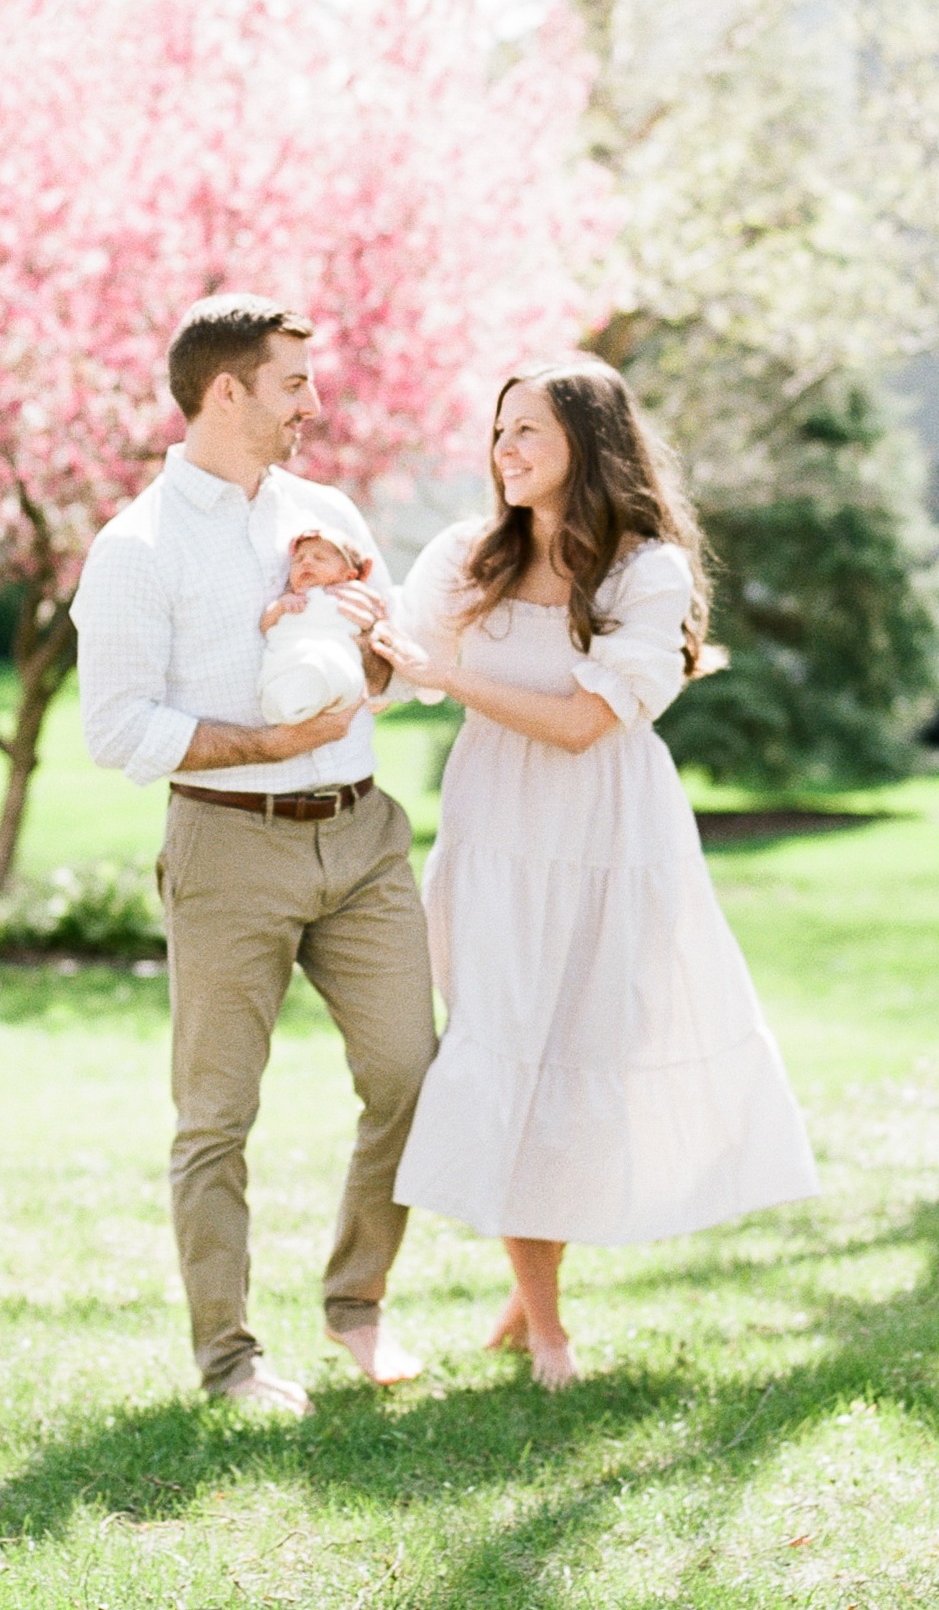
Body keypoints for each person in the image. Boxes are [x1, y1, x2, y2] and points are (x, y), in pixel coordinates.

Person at [370, 356, 819, 1390]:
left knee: (589, 1054)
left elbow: (583, 725)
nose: (506, 452)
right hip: (496, 832)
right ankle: (549, 1324)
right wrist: (339, 623)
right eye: (499, 433)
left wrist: (450, 677)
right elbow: (398, 672)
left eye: (528, 431)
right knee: (506, 1036)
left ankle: (530, 1296)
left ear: (589, 442)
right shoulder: (467, 555)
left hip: (613, 837)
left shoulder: (646, 571)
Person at [75, 294, 437, 1415]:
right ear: (224, 392)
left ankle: (356, 1298)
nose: (313, 408)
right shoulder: (136, 549)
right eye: (293, 385)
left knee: (412, 1077)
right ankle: (229, 1360)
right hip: (231, 848)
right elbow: (119, 727)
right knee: (217, 1115)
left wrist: (380, 657)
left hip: (366, 838)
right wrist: (272, 741)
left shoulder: (327, 512)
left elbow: (392, 676)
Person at [257, 530, 376, 725]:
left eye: (320, 558)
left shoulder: (347, 597)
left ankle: (314, 693)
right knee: (298, 668)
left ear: (348, 575)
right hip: (288, 659)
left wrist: (368, 624)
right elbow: (265, 626)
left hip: (335, 661)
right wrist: (280, 606)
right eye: (298, 559)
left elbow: (367, 627)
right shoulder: (290, 600)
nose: (306, 562)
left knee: (327, 665)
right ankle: (293, 701)